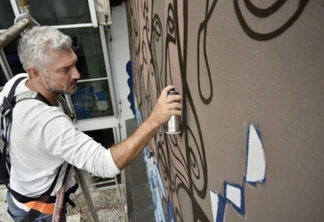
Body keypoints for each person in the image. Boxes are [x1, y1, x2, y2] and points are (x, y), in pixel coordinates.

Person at [0, 26, 182, 221]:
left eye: (74, 64)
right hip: (39, 213)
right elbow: (105, 165)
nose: (77, 74)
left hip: (18, 194)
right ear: (35, 73)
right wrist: (155, 119)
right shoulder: (48, 124)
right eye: (64, 70)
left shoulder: (17, 83)